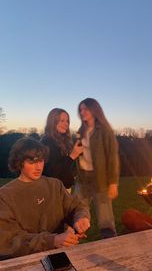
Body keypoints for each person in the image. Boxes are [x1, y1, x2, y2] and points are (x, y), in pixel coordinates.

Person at [0, 138, 90, 260]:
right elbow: (8, 241)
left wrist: (80, 218)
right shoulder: (5, 195)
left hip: (61, 255)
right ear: (19, 162)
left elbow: (76, 206)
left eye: (41, 161)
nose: (38, 167)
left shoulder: (54, 185)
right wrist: (51, 241)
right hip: (25, 260)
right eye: (32, 162)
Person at [74, 98, 120, 239]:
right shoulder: (80, 131)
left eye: (85, 109)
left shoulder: (105, 131)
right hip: (82, 178)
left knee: (106, 220)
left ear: (94, 110)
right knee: (77, 212)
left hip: (100, 179)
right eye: (80, 109)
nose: (82, 112)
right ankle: (72, 246)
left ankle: (110, 247)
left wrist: (113, 183)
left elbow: (112, 158)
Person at [41, 108, 83, 190]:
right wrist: (72, 156)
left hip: (65, 188)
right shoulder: (47, 142)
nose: (66, 124)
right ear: (52, 122)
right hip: (54, 189)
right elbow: (53, 172)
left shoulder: (63, 140)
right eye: (62, 121)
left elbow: (67, 165)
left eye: (67, 121)